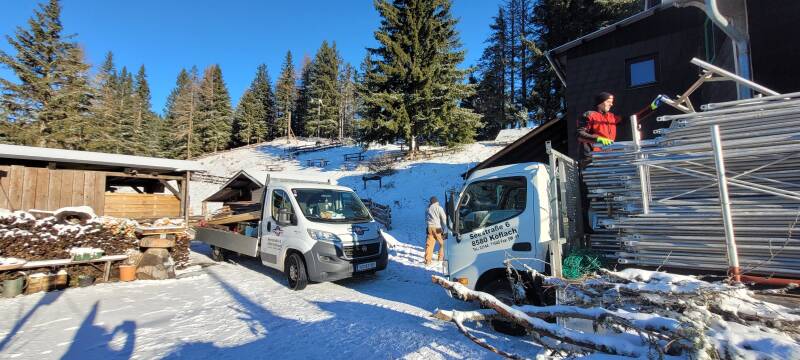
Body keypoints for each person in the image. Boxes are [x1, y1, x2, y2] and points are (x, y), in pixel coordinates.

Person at [577, 92, 622, 167]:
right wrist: (599, 139)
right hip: (591, 158)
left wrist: (648, 109)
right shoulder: (589, 115)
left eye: (611, 102)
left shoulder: (611, 117)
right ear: (600, 103)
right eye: (608, 102)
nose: (611, 104)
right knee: (594, 178)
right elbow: (579, 134)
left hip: (607, 157)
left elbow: (631, 119)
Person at [424, 196, 447, 265]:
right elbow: (444, 219)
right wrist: (445, 228)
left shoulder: (427, 209)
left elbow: (426, 219)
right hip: (437, 228)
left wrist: (428, 227)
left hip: (429, 228)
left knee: (429, 245)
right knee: (442, 243)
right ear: (436, 201)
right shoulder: (439, 208)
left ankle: (428, 260)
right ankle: (440, 258)